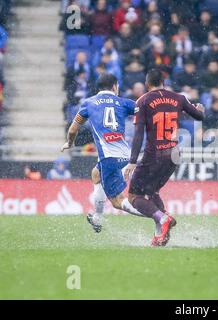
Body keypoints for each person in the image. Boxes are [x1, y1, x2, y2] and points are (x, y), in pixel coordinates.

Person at [124, 69, 205, 247]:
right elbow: (199, 116)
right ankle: (161, 234)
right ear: (164, 82)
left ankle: (163, 219)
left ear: (147, 84)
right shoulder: (179, 98)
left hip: (154, 154)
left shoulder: (143, 100)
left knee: (133, 196)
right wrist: (201, 109)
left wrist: (132, 161)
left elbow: (138, 134)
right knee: (152, 192)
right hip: (174, 154)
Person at [61, 73, 145, 233]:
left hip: (109, 158)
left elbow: (72, 129)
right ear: (115, 86)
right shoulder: (123, 102)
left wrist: (69, 143)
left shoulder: (88, 103)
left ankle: (157, 216)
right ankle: (98, 217)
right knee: (95, 174)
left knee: (117, 201)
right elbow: (144, 111)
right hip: (124, 155)